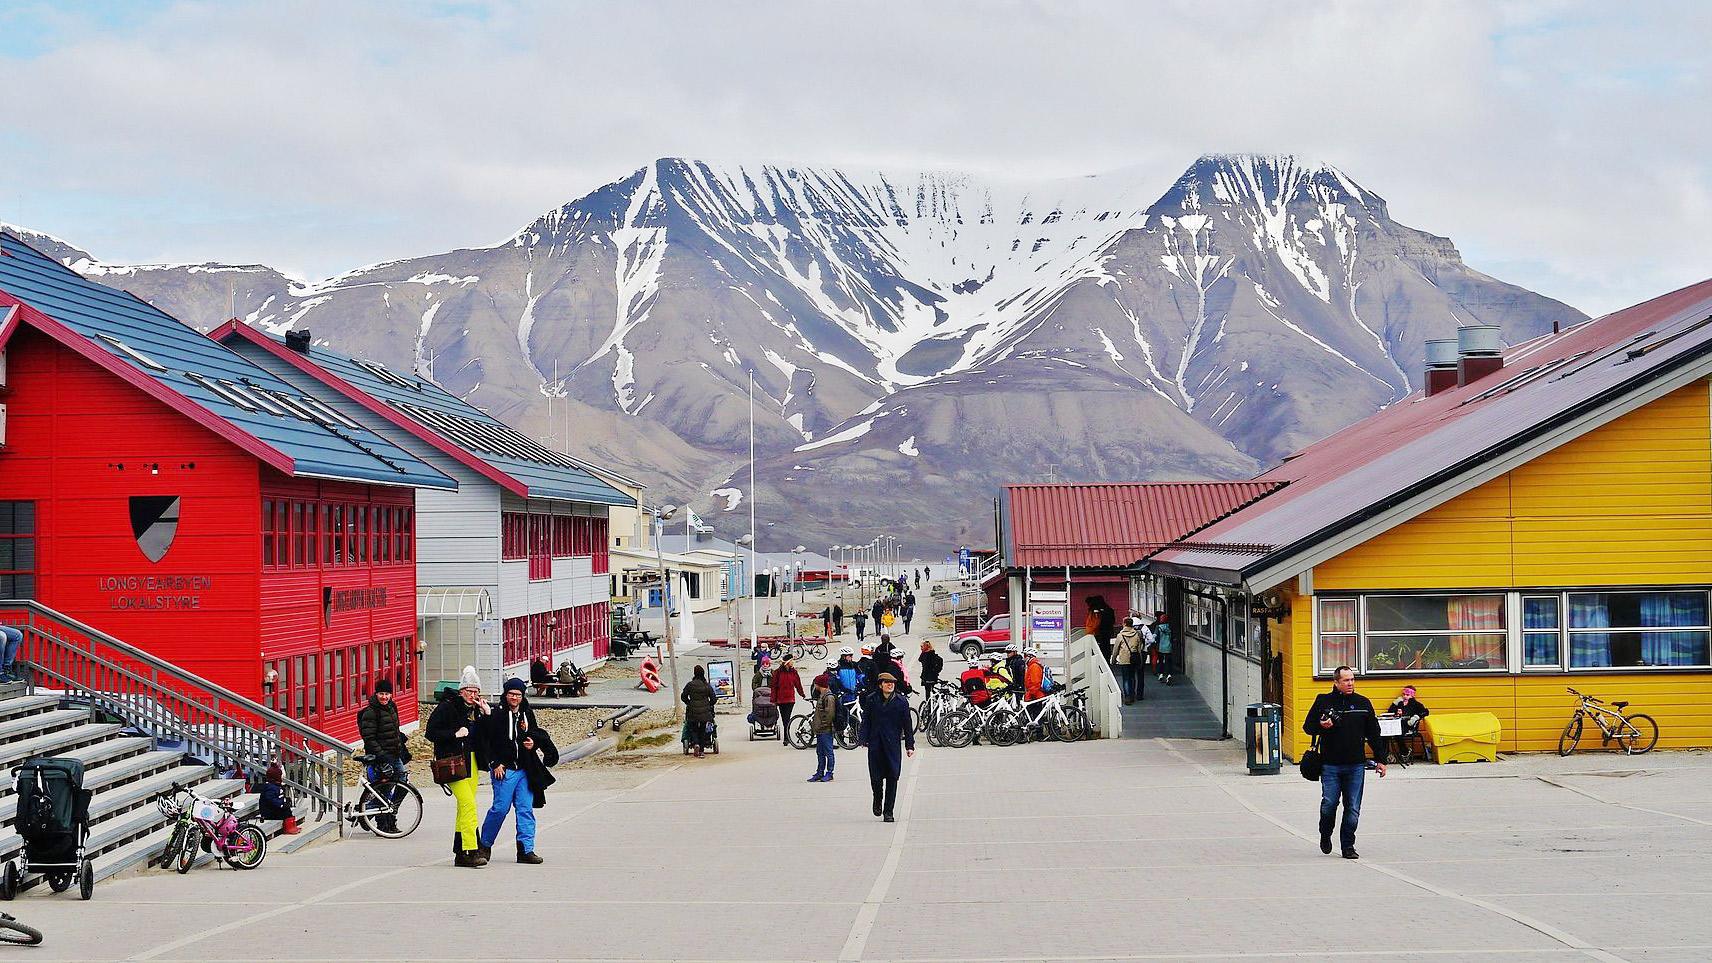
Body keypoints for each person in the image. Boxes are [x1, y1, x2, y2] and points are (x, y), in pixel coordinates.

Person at [1304, 666, 1387, 859]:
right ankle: (1325, 834)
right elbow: (1308, 727)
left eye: (1352, 680)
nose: (1350, 683)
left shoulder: (1363, 703)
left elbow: (1374, 734)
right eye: (1346, 680)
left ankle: (1348, 846)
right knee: (1329, 804)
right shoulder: (1323, 701)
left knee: (1353, 808)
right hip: (1330, 765)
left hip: (1356, 765)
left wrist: (1381, 759)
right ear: (1336, 682)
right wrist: (1321, 725)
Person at [425, 666, 490, 868]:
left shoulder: (474, 710)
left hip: (471, 762)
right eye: (470, 691)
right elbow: (431, 732)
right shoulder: (448, 707)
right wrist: (454, 734)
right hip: (453, 762)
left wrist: (486, 715)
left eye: (476, 691)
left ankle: (460, 852)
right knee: (469, 804)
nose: (473, 695)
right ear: (461, 691)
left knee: (464, 808)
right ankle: (471, 849)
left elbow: (486, 737)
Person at [478, 678, 544, 865]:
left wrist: (533, 742)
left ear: (523, 696)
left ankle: (525, 849)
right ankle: (484, 845)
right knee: (500, 809)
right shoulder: (497, 715)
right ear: (506, 695)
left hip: (525, 769)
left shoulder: (527, 714)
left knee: (525, 809)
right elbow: (486, 741)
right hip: (504, 770)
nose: (515, 698)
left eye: (518, 695)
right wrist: (494, 763)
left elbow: (534, 733)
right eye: (511, 694)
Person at [859, 672, 915, 821]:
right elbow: (866, 720)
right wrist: (863, 738)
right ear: (880, 684)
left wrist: (910, 745)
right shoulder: (872, 699)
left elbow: (907, 724)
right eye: (887, 682)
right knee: (876, 779)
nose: (890, 685)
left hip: (893, 746)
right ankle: (877, 798)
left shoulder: (901, 701)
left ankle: (888, 812)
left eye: (892, 683)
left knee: (892, 778)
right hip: (875, 745)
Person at [357, 679, 411, 832]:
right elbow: (369, 738)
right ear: (376, 693)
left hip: (395, 754)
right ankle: (384, 823)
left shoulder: (392, 707)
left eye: (387, 694)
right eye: (381, 693)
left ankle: (371, 812)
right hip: (380, 758)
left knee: (403, 784)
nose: (384, 697)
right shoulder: (371, 712)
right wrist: (381, 756)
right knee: (384, 789)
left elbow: (393, 730)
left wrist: (401, 743)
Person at [1387, 685, 1430, 763]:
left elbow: (1425, 711)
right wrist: (1395, 703)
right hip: (1398, 724)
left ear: (1412, 695)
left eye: (1407, 695)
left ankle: (1404, 752)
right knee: (1385, 733)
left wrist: (1416, 717)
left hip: (1409, 726)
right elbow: (1390, 712)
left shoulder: (1416, 704)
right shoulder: (1400, 703)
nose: (1405, 696)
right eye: (1403, 694)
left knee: (1398, 733)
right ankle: (1387, 754)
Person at [682, 664, 717, 757]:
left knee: (693, 729)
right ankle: (701, 751)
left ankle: (696, 744)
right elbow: (713, 699)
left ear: (694, 673)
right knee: (702, 730)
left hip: (692, 711)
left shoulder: (690, 685)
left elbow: (683, 696)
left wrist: (689, 703)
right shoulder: (706, 685)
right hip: (705, 712)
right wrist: (708, 705)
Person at [808, 677, 838, 782]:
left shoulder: (828, 697)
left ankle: (830, 772)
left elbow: (830, 714)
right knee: (820, 752)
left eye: (815, 684)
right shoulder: (822, 695)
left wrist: (823, 725)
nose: (814, 686)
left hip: (826, 730)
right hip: (820, 730)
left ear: (819, 684)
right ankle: (819, 772)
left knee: (828, 752)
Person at [771, 656, 806, 746]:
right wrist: (773, 700)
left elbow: (798, 684)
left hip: (790, 699)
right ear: (787, 662)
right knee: (785, 719)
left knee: (788, 718)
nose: (793, 662)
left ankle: (787, 738)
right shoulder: (777, 673)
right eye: (791, 661)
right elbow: (774, 687)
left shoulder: (794, 672)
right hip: (781, 699)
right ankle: (787, 738)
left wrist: (802, 694)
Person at [1112, 617, 1147, 704]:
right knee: (1132, 677)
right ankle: (1132, 694)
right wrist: (1141, 660)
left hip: (1124, 659)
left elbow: (1116, 649)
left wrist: (1113, 660)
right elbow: (1139, 648)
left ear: (1124, 624)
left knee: (1126, 678)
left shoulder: (1120, 635)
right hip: (1134, 658)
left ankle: (1127, 696)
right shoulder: (1137, 634)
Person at [1154, 610, 1174, 685]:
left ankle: (1161, 674)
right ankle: (1169, 675)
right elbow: (1173, 637)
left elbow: (1155, 636)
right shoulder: (1170, 627)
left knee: (1161, 661)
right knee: (1169, 661)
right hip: (1169, 647)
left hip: (1160, 647)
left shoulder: (1158, 627)